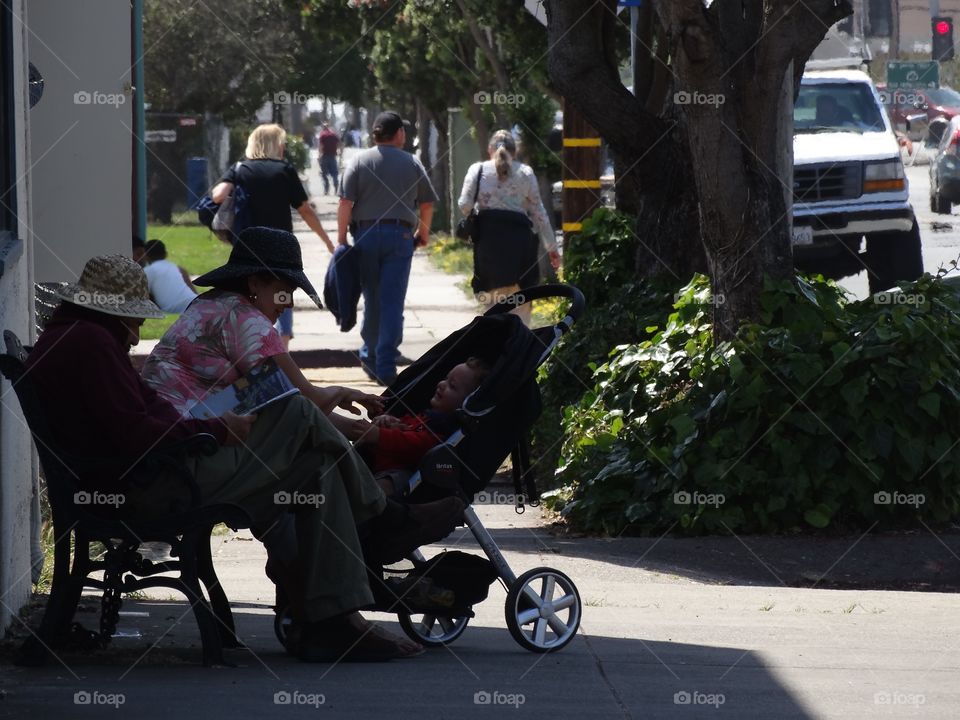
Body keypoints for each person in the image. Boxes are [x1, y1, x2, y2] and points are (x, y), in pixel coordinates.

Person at [30, 253, 464, 662]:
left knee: (316, 466)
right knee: (292, 409)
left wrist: (213, 427)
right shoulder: (93, 344)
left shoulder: (84, 336)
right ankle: (382, 519)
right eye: (282, 287)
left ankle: (335, 623)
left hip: (157, 470)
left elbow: (145, 411)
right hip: (156, 484)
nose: (143, 323)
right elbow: (136, 432)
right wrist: (218, 430)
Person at [142, 227, 372, 441]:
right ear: (254, 283)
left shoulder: (209, 302)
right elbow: (309, 402)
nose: (288, 303)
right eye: (284, 291)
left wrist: (360, 430)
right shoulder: (248, 321)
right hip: (193, 442)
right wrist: (342, 391)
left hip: (161, 434)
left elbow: (290, 400)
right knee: (313, 453)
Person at [211, 123, 334, 349]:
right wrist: (327, 241)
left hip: (248, 247)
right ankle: (282, 347)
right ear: (276, 144)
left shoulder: (241, 168)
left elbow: (218, 196)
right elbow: (305, 210)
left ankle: (250, 345)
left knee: (250, 293)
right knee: (282, 294)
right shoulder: (284, 170)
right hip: (280, 248)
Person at [337, 111, 439, 386]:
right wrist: (423, 234)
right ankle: (385, 363)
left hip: (366, 235)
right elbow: (427, 204)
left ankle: (369, 354)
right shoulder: (411, 163)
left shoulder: (358, 161)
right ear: (399, 134)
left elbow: (345, 203)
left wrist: (341, 239)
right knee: (392, 301)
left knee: (372, 298)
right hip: (400, 236)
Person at [458, 129, 560, 325]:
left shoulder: (478, 170)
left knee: (492, 306)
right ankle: (518, 351)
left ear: (489, 149)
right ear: (515, 151)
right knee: (521, 307)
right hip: (521, 250)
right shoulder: (525, 172)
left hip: (488, 250)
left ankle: (493, 351)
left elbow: (464, 204)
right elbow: (539, 213)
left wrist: (481, 210)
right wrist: (552, 249)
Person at [356, 357, 490, 484]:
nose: (442, 384)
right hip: (374, 464)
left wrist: (378, 435)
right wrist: (386, 418)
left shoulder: (442, 433)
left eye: (452, 386)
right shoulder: (427, 417)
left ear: (467, 403)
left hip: (396, 475)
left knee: (389, 482)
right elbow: (404, 427)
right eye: (446, 378)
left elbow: (410, 443)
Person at [142, 239, 197, 314]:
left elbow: (143, 297)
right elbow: (193, 290)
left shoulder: (148, 271)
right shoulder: (179, 269)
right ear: (166, 254)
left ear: (146, 256)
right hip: (194, 302)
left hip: (174, 308)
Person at [318, 122, 341, 195]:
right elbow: (339, 144)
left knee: (324, 174)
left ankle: (326, 189)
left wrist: (319, 156)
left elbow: (321, 146)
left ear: (323, 128)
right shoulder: (334, 135)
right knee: (334, 173)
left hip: (325, 156)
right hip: (333, 156)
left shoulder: (322, 135)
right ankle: (336, 186)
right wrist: (340, 153)